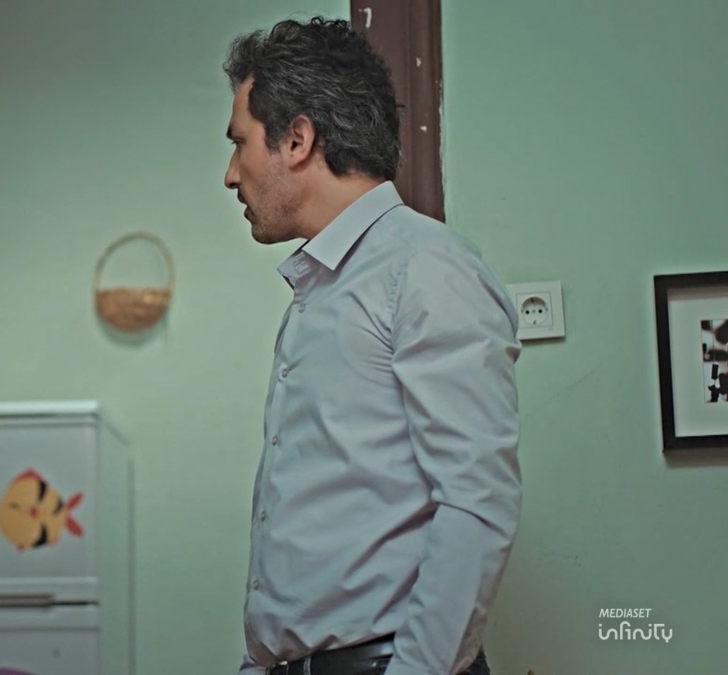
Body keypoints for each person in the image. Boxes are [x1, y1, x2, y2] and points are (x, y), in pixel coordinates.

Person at [223, 17, 521, 675]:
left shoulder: (425, 267)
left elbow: (476, 501)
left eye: (239, 142)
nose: (230, 174)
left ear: (297, 139)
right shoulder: (321, 289)